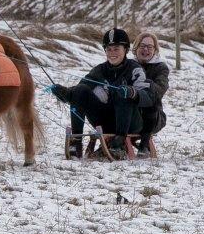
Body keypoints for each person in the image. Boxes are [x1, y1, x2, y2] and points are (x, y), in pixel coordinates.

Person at [51, 28, 149, 158]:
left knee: (122, 92)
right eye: (109, 49)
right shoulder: (99, 70)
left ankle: (119, 144)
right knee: (80, 90)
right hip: (106, 121)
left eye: (116, 49)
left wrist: (132, 92)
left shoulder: (135, 69)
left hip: (131, 122)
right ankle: (76, 142)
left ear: (125, 50)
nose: (112, 53)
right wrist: (64, 93)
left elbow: (147, 96)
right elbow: (79, 92)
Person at [132, 32, 169, 155]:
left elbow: (160, 89)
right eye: (142, 46)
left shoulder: (160, 67)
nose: (145, 50)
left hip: (153, 116)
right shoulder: (129, 65)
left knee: (149, 96)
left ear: (155, 50)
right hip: (130, 113)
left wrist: (145, 85)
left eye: (149, 47)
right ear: (136, 48)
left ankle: (144, 145)